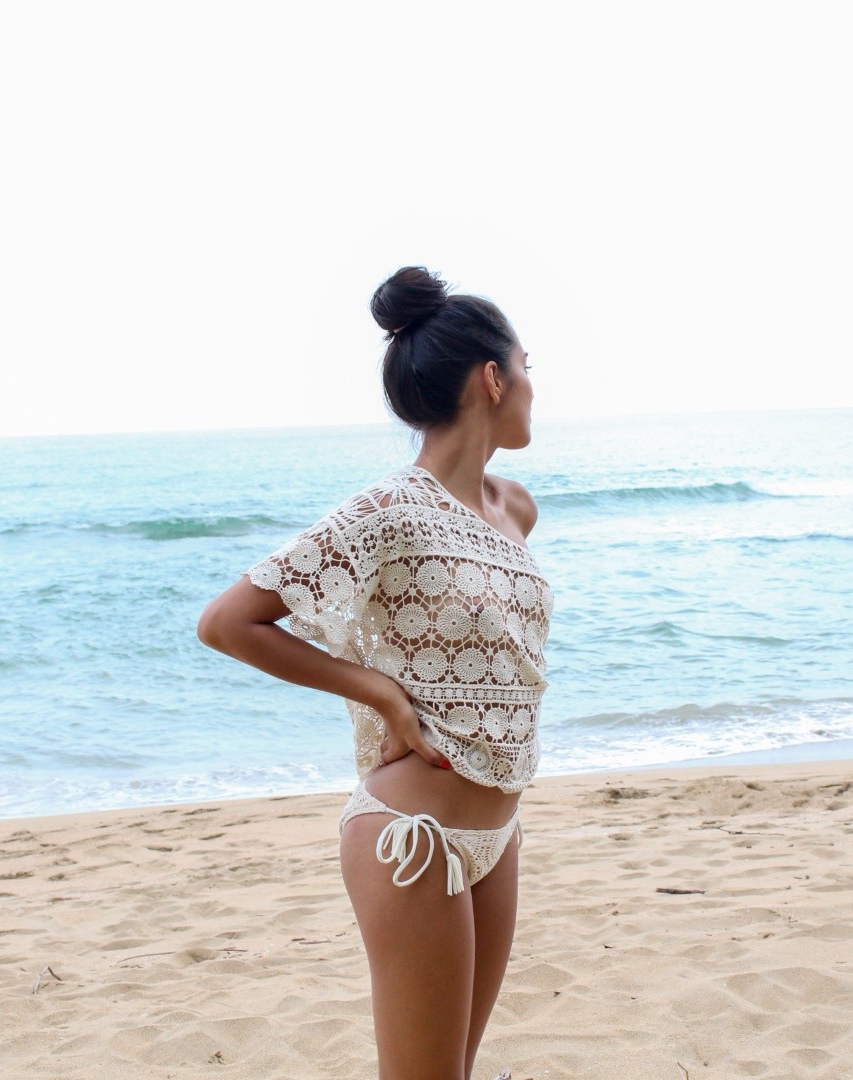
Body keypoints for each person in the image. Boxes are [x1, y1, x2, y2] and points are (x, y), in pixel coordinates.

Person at [197, 266, 550, 1080]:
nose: (535, 386)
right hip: (412, 837)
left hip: (498, 831)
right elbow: (227, 622)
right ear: (493, 378)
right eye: (527, 366)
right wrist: (380, 693)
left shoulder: (516, 509)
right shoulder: (390, 510)